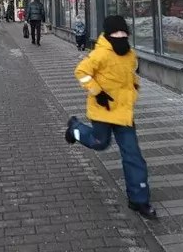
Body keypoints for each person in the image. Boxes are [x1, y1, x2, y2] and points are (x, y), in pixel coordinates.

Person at [65, 15, 156, 220]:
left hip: (124, 113)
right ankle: (75, 128)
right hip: (103, 111)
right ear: (108, 34)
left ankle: (139, 199)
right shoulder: (100, 54)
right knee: (99, 143)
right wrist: (98, 92)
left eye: (124, 33)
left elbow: (131, 75)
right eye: (116, 33)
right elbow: (81, 72)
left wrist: (134, 89)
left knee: (133, 156)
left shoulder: (130, 54)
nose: (120, 36)